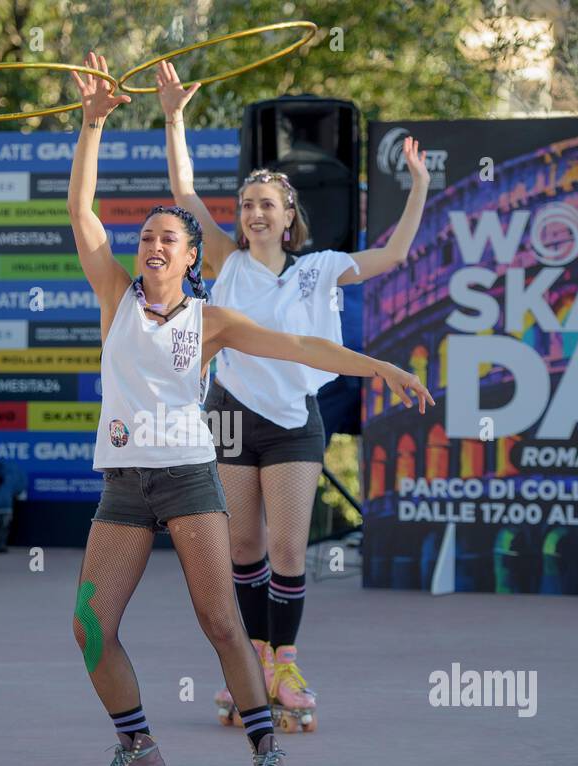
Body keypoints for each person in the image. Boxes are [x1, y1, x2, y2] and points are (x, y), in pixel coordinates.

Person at [66, 54, 433, 766]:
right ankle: (139, 751)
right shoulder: (114, 297)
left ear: (194, 256)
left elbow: (305, 350)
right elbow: (82, 208)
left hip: (191, 477)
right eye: (149, 236)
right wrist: (92, 123)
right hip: (124, 484)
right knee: (91, 625)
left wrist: (380, 366)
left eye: (170, 237)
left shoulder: (212, 318)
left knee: (224, 622)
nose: (155, 244)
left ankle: (267, 761)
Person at [157, 60, 431, 731]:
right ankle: (252, 656)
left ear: (288, 218)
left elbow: (393, 254)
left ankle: (286, 659)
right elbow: (183, 188)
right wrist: (173, 115)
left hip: (292, 421)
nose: (253, 213)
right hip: (228, 416)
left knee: (287, 548)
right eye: (246, 205)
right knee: (241, 547)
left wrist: (419, 183)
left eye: (266, 205)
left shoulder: (319, 271)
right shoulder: (221, 259)